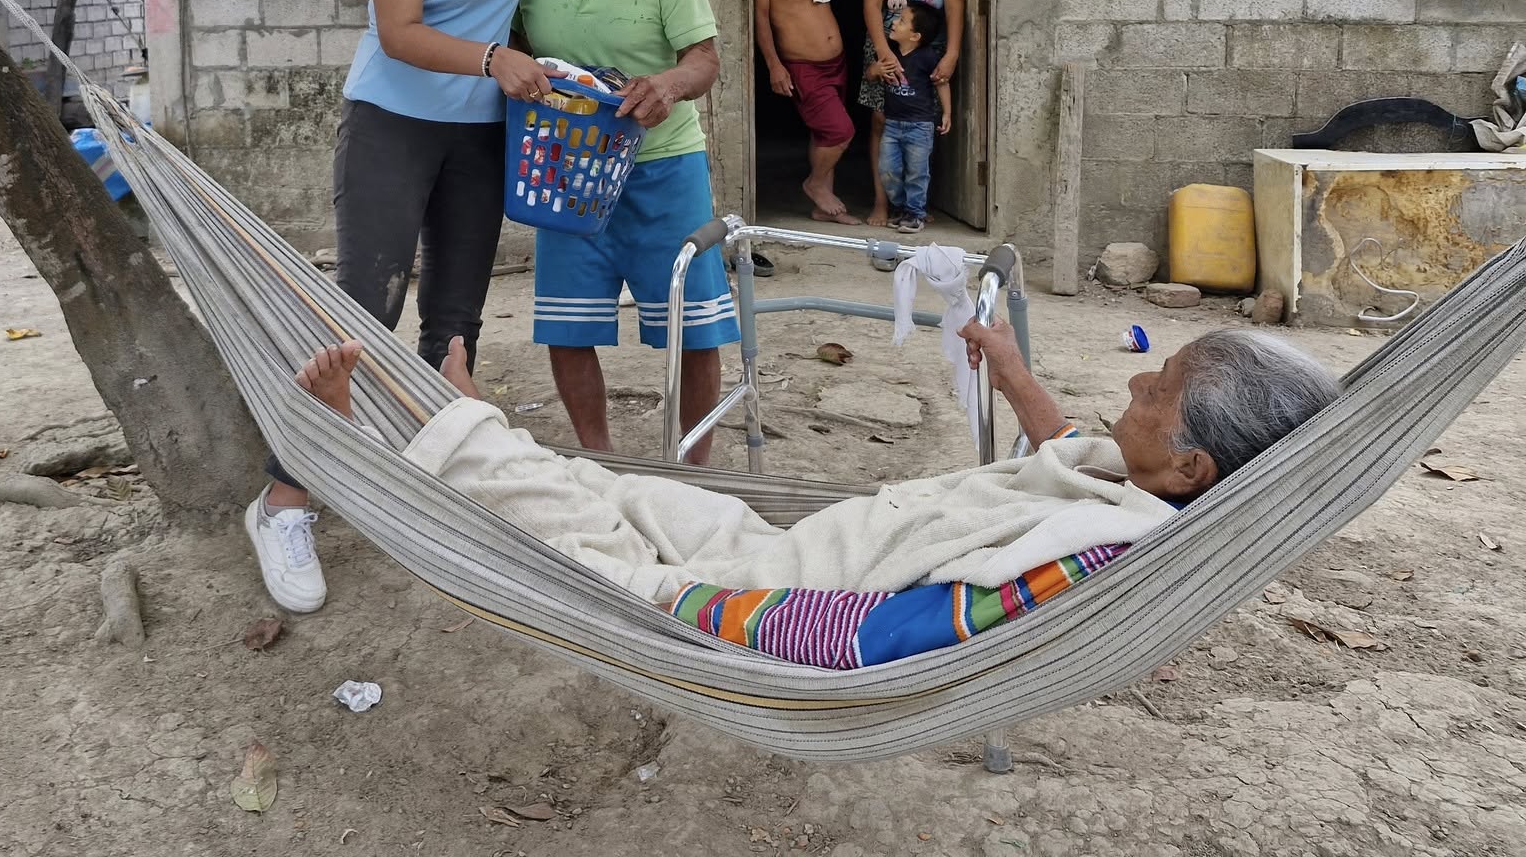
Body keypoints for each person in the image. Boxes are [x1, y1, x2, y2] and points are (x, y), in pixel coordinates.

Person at [246, 0, 704, 613]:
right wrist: (493, 59)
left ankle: (432, 478)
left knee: (456, 319)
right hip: (393, 122)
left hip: (484, 132)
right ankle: (283, 498)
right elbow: (400, 32)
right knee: (366, 304)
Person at [293, 317, 1340, 670]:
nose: (1136, 383)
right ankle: (466, 441)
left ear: (1192, 467)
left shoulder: (1092, 560)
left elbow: (882, 640)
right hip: (791, 541)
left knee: (576, 543)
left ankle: (388, 446)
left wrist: (683, 608)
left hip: (765, 593)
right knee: (606, 487)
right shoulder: (1132, 483)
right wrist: (1015, 372)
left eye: (1159, 389)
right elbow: (1063, 447)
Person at [516, 0, 729, 462]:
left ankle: (695, 470)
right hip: (567, 164)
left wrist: (668, 85)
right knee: (567, 323)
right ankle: (600, 460)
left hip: (664, 165)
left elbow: (704, 60)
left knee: (692, 326)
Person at [754, 0, 870, 223]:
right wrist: (774, 66)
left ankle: (822, 206)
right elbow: (761, 18)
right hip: (802, 65)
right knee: (840, 131)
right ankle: (815, 183)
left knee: (824, 134)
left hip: (836, 62)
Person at [860, 0, 967, 228]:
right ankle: (882, 201)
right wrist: (883, 53)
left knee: (921, 122)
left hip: (929, 47)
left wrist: (952, 54)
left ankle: (913, 205)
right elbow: (871, 5)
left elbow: (955, 6)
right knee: (881, 120)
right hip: (886, 40)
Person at [876, 0, 951, 234]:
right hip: (892, 124)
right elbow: (870, 74)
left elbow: (941, 83)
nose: (894, 23)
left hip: (920, 126)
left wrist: (947, 113)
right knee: (887, 169)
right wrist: (875, 70)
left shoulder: (927, 57)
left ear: (915, 36)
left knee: (917, 173)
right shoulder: (890, 53)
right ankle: (901, 208)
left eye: (901, 21)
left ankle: (915, 214)